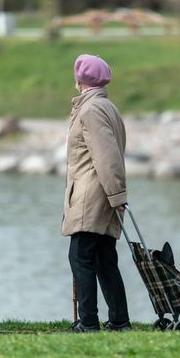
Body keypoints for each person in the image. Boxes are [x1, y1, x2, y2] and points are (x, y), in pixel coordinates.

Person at [62, 54, 131, 332]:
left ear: (80, 80)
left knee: (80, 257)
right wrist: (116, 196)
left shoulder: (90, 111)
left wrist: (117, 195)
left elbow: (106, 157)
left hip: (92, 196)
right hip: (102, 194)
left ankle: (88, 322)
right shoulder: (107, 106)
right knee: (104, 259)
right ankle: (119, 320)